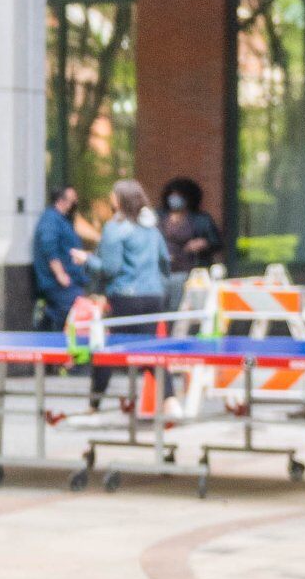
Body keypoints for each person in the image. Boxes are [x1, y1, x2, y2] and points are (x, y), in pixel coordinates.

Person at [87, 178, 171, 411]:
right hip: (153, 296)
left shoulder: (115, 228)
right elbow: (165, 260)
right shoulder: (151, 227)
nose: (110, 198)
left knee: (106, 349)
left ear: (120, 199)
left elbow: (109, 269)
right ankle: (171, 400)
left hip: (125, 297)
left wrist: (87, 260)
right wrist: (157, 284)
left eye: (113, 194)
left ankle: (94, 403)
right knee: (150, 350)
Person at [160, 176, 222, 308]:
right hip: (164, 272)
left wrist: (203, 243)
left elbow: (217, 242)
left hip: (189, 271)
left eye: (179, 195)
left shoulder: (201, 219)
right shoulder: (160, 217)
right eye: (172, 194)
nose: (174, 198)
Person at [32, 185, 88, 332]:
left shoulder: (63, 220)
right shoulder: (51, 220)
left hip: (70, 279)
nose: (74, 203)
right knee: (66, 313)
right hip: (58, 283)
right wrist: (60, 274)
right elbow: (48, 247)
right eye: (72, 199)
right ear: (61, 200)